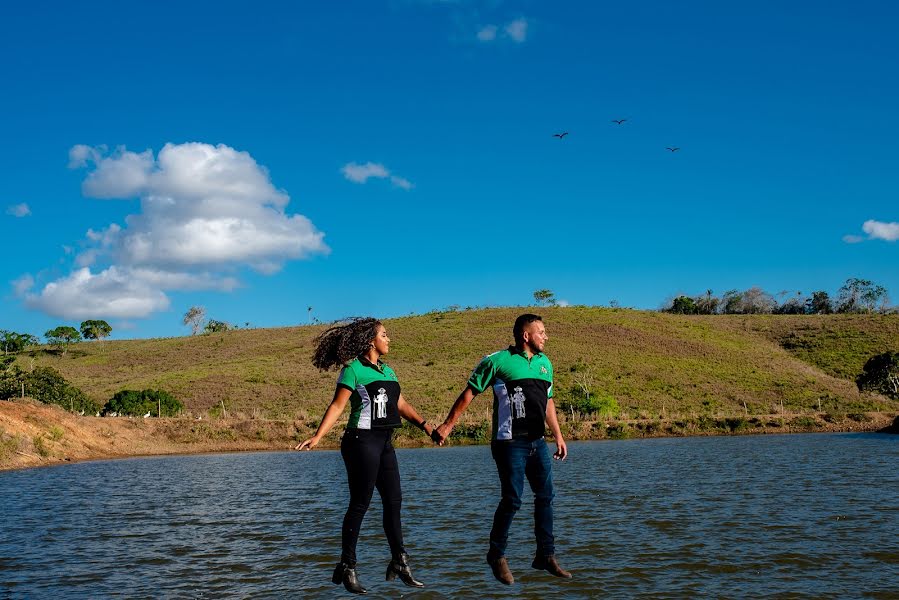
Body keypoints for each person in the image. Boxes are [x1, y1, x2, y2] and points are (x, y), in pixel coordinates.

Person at [296, 317, 433, 594]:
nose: (389, 339)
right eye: (384, 334)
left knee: (394, 501)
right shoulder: (353, 370)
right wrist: (318, 436)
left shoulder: (389, 371)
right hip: (360, 441)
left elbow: (400, 403)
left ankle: (400, 561)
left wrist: (426, 426)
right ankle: (348, 567)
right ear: (371, 341)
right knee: (361, 503)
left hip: (384, 442)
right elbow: (337, 406)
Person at [433, 313, 572, 585]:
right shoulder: (497, 361)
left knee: (546, 497)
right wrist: (448, 425)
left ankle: (545, 555)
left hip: (538, 442)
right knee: (513, 499)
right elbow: (469, 392)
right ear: (526, 335)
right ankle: (496, 555)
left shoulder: (545, 364)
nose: (546, 336)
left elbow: (548, 403)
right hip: (509, 443)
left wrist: (558, 435)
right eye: (541, 331)